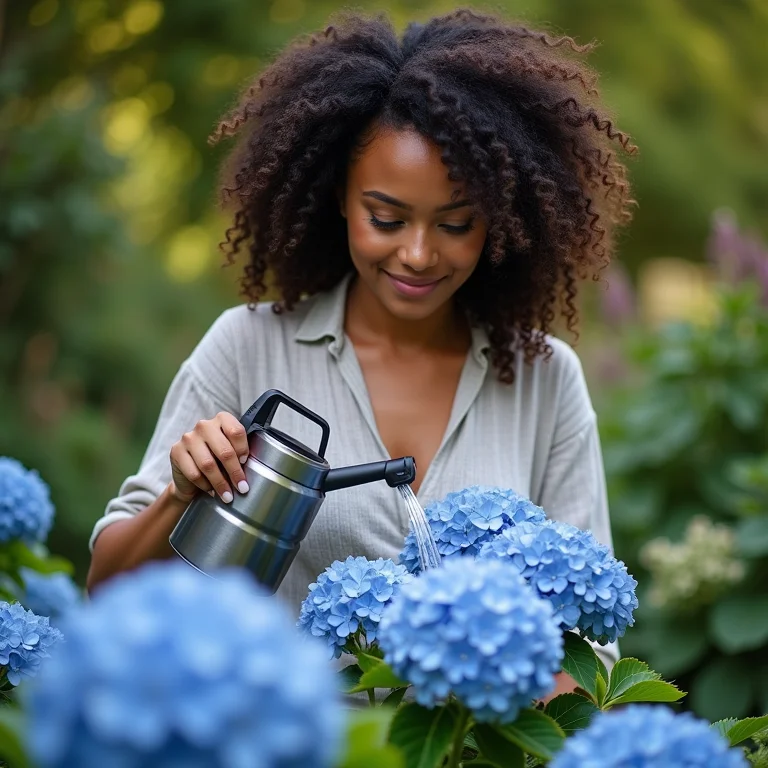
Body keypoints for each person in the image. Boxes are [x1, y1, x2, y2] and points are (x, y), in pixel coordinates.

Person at [87, 9, 636, 685]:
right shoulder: (246, 347)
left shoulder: (544, 379)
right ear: (339, 200)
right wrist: (181, 493)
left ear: (498, 218)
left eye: (456, 224)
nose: (417, 254)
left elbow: (589, 648)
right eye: (386, 217)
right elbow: (108, 593)